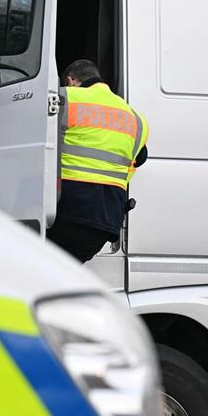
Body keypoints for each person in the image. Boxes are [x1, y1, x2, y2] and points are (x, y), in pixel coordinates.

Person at [47, 59, 149, 263]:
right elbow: (139, 159)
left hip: (64, 211)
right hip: (104, 222)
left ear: (70, 80)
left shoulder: (65, 97)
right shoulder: (137, 119)